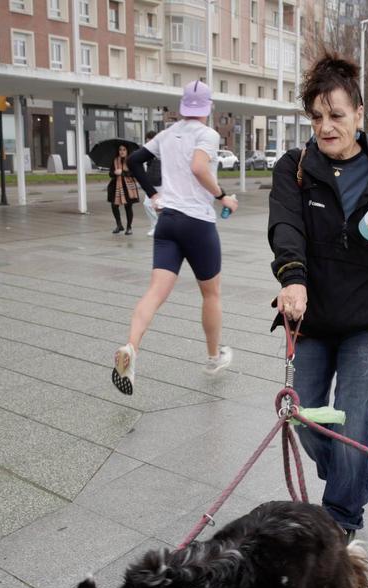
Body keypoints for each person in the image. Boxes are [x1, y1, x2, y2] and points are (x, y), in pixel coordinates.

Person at [268, 52, 368, 539]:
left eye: (336, 115)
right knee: (305, 421)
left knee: (352, 422)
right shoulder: (294, 168)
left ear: (359, 115)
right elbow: (285, 226)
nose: (326, 126)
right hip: (311, 318)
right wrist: (292, 277)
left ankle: (342, 520)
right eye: (317, 117)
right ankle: (345, 472)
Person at [111, 81, 240, 395]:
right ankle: (213, 357)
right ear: (207, 108)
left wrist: (154, 194)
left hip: (167, 220)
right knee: (211, 294)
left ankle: (131, 347)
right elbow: (199, 167)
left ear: (183, 107)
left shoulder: (166, 134)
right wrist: (223, 196)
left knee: (155, 292)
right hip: (197, 223)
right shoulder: (207, 135)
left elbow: (133, 162)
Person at [108, 144, 140, 235]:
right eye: (120, 149)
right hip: (116, 186)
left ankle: (129, 227)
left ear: (127, 151)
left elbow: (134, 173)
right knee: (114, 206)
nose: (122, 151)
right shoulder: (115, 160)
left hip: (128, 187)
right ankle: (119, 225)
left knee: (128, 207)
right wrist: (115, 173)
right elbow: (110, 174)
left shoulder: (131, 161)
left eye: (124, 150)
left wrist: (123, 172)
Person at [139, 129, 162, 236]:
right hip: (151, 184)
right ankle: (155, 226)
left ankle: (162, 227)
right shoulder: (146, 154)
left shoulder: (162, 151)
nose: (149, 144)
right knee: (147, 204)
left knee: (162, 207)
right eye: (147, 141)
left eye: (150, 141)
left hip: (162, 184)